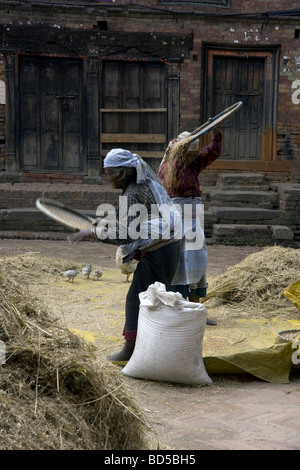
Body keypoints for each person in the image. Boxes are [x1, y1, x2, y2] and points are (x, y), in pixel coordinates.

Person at [68, 148, 181, 362]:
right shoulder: (137, 186)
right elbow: (130, 222)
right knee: (155, 297)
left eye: (110, 173)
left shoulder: (133, 192)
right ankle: (154, 346)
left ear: (123, 172)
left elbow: (125, 233)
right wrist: (102, 223)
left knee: (136, 299)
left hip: (159, 251)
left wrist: (91, 233)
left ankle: (129, 351)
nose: (107, 178)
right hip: (168, 247)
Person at [158, 128, 223, 325]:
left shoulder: (193, 165)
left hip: (194, 219)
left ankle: (196, 311)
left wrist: (216, 135)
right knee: (179, 261)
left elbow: (211, 152)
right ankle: (179, 311)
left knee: (197, 260)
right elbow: (176, 161)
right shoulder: (169, 167)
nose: (192, 155)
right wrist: (177, 147)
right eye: (187, 151)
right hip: (176, 220)